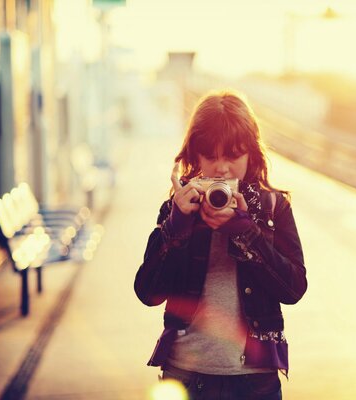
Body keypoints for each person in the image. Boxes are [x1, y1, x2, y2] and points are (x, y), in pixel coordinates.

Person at [134, 90, 307, 399]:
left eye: (232, 155)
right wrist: (176, 226)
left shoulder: (272, 207)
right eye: (211, 156)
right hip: (186, 376)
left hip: (255, 380)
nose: (222, 168)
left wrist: (246, 232)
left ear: (251, 153)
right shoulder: (179, 207)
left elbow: (293, 288)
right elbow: (148, 293)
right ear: (195, 156)